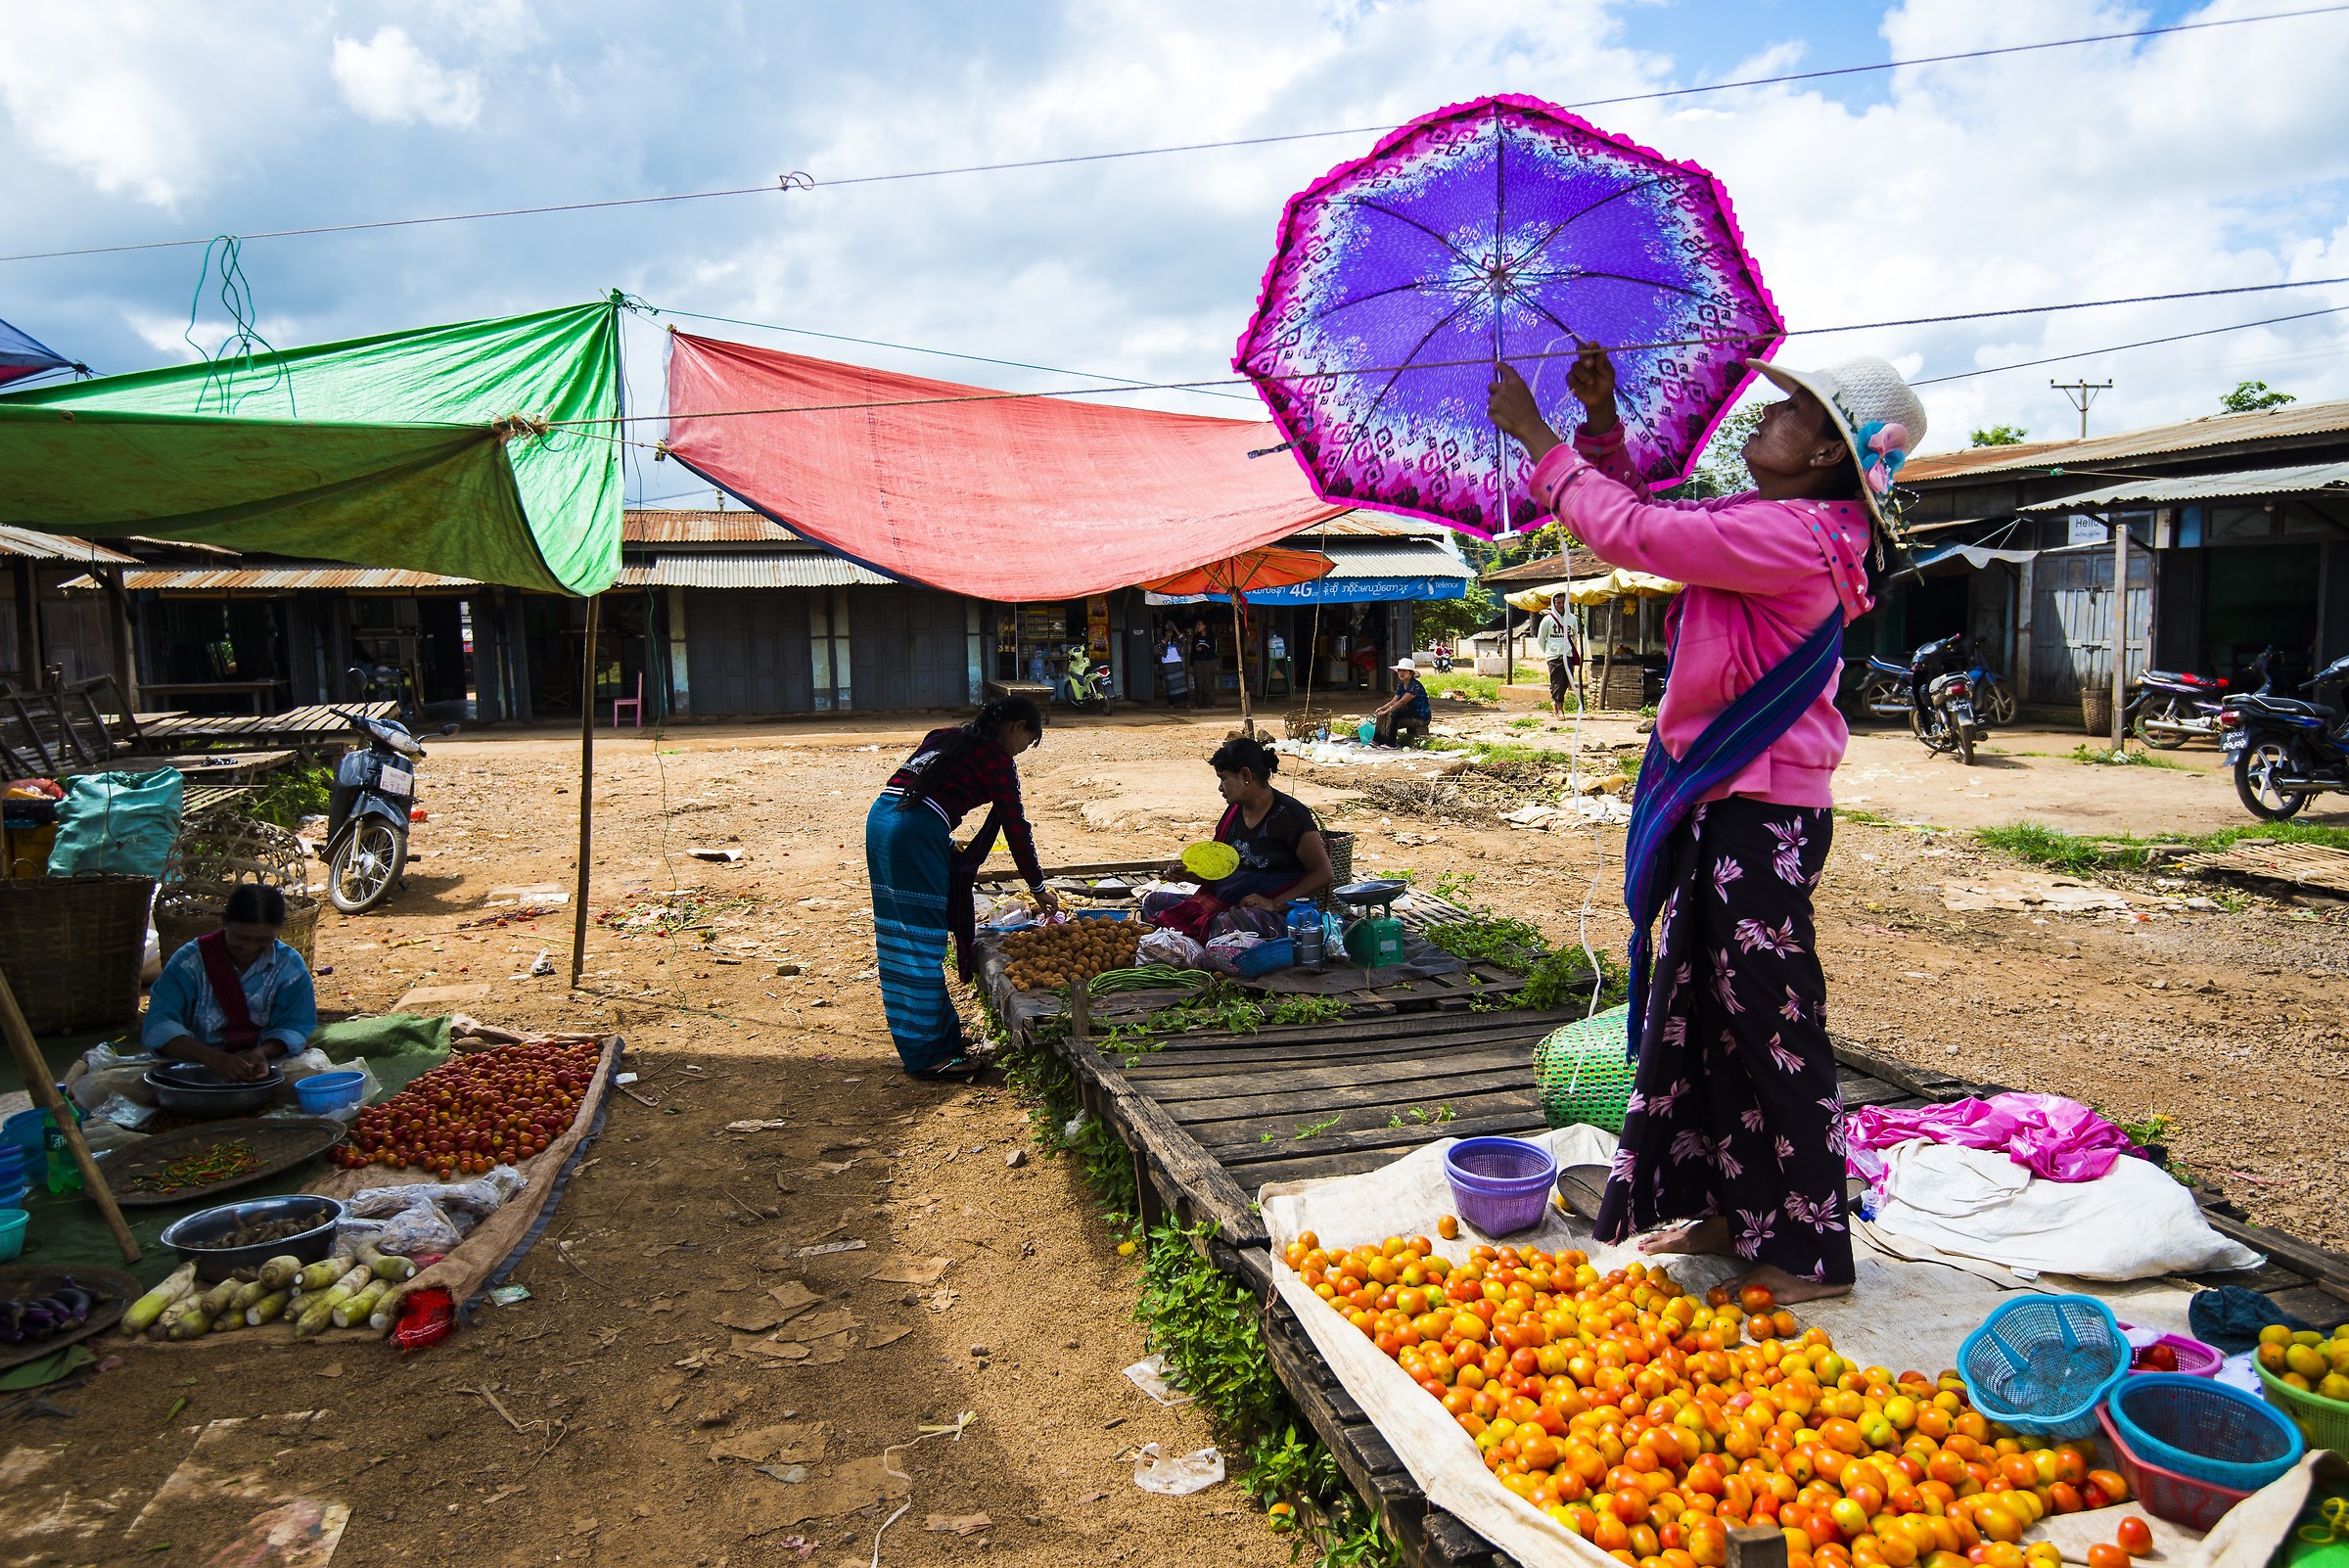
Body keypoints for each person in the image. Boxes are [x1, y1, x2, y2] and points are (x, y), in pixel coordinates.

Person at [1489, 342, 1924, 1304]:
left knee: (1773, 1030)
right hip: (1736, 808)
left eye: (1791, 413)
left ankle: (1810, 1255)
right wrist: (1600, 428)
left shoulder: (1796, 538)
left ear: (1825, 457)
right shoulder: (1781, 523)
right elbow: (1652, 520)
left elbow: (1633, 536)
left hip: (1761, 816)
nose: (1763, 418)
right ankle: (1736, 1209)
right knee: (1714, 1023)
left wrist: (1538, 439)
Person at [868, 697, 1059, 1082]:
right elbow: (1015, 826)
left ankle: (942, 1042)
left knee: (904, 938)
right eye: (1027, 740)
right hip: (915, 833)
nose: (1022, 749)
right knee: (920, 945)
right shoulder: (996, 761)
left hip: (883, 822)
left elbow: (923, 787)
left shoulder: (944, 736)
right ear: (1015, 726)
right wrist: (1038, 886)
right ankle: (927, 1055)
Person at [1156, 734, 1335, 930]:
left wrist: (1274, 903)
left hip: (1273, 912)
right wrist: (1193, 874)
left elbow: (1323, 873)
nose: (1220, 788)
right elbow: (1222, 868)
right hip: (1227, 900)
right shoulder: (1234, 812)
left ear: (1246, 776)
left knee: (1230, 923)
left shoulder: (1290, 815)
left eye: (1223, 779)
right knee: (1155, 902)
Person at [144, 884, 318, 1082]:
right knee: (117, 1082)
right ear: (225, 921)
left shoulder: (290, 967)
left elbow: (295, 1027)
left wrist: (261, 1053)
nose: (250, 947)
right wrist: (212, 1058)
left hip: (265, 1063)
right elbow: (159, 1025)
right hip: (195, 1063)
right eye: (241, 937)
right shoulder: (189, 963)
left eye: (263, 940)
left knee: (315, 1074)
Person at [1370, 656, 1431, 747]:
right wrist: (1382, 709)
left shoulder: (1415, 686)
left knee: (1394, 712)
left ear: (1411, 673)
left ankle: (1390, 744)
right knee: (1383, 715)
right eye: (1400, 671)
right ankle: (1378, 740)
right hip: (1408, 714)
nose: (1401, 673)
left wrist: (1387, 711)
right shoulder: (1401, 686)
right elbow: (1393, 701)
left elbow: (1402, 702)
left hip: (1420, 717)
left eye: (1404, 671)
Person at [1537, 592, 1580, 716]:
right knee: (1557, 682)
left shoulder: (1571, 619)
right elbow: (1541, 638)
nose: (1561, 605)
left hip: (1568, 654)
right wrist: (1550, 652)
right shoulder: (1547, 620)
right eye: (1558, 603)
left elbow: (1574, 635)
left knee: (1566, 682)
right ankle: (1560, 709)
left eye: (1563, 602)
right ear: (1553, 604)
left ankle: (1555, 701)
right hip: (1554, 656)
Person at [1189, 618, 1218, 709]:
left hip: (1209, 662)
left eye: (1199, 624)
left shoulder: (1211, 637)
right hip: (1198, 662)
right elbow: (1192, 652)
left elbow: (1215, 650)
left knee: (1208, 683)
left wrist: (1203, 649)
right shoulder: (1196, 637)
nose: (1197, 626)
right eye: (1197, 624)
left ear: (1205, 626)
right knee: (1198, 683)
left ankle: (1211, 703)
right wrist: (1191, 664)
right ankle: (1198, 703)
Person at [1159, 625, 1190, 709]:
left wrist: (1176, 630)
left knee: (1182, 684)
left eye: (1171, 630)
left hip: (1177, 662)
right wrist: (1167, 637)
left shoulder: (1176, 639)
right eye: (1168, 630)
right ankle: (1171, 704)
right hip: (1167, 663)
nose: (1170, 632)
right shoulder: (1162, 638)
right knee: (1170, 685)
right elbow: (1159, 646)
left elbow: (1184, 639)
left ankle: (1186, 703)